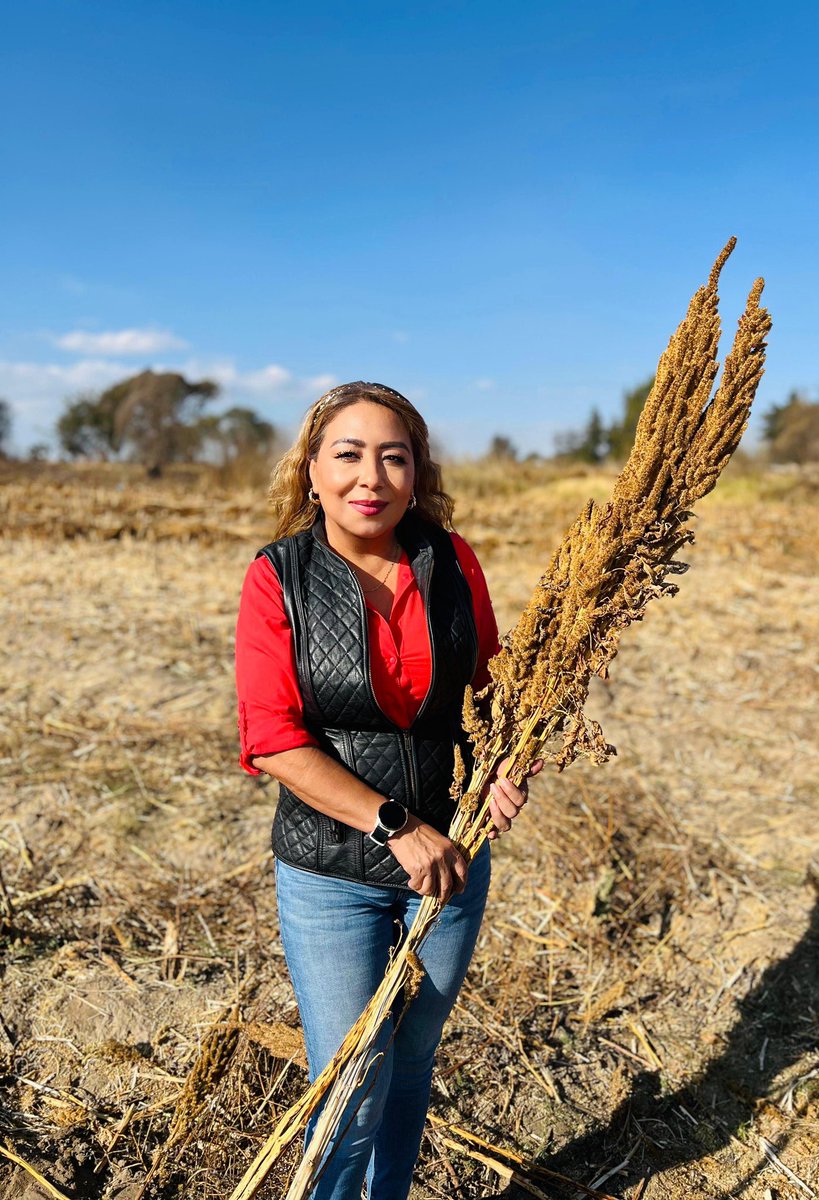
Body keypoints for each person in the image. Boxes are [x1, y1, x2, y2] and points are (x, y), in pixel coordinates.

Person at [234, 382, 539, 1200]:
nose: (371, 475)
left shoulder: (453, 562)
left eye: (393, 456)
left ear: (416, 475)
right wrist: (395, 824)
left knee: (409, 1066)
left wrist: (507, 767)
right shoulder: (278, 578)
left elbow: (493, 697)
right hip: (332, 871)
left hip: (450, 864)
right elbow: (271, 738)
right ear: (311, 473)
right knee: (348, 1083)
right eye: (348, 453)